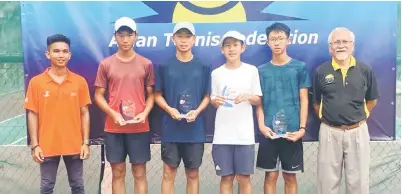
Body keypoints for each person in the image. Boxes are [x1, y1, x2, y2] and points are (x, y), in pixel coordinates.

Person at [313, 27, 379, 194]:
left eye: (345, 42)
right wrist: (326, 118)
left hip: (357, 131)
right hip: (329, 132)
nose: (341, 45)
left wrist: (360, 117)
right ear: (330, 47)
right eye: (336, 42)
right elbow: (316, 102)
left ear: (352, 46)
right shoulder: (321, 71)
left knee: (358, 183)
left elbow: (372, 99)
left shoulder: (365, 70)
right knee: (326, 184)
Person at [94, 17, 155, 194]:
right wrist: (113, 114)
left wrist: (145, 113)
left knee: (139, 173)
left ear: (136, 36)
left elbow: (151, 96)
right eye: (121, 35)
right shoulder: (105, 64)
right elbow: (98, 96)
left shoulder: (146, 64)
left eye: (129, 35)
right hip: (114, 129)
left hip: (139, 128)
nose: (125, 39)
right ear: (115, 36)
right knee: (117, 173)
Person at [25, 34, 91, 194]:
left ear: (70, 55)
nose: (61, 55)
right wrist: (35, 145)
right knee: (47, 187)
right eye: (56, 51)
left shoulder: (79, 81)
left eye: (64, 51)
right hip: (47, 145)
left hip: (74, 144)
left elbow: (85, 113)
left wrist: (86, 143)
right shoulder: (36, 82)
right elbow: (32, 114)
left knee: (78, 186)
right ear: (48, 54)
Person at [155, 22, 211, 194]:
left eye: (188, 37)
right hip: (171, 129)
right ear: (173, 39)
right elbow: (157, 95)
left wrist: (197, 111)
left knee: (193, 174)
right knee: (168, 173)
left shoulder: (203, 66)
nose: (184, 41)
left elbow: (207, 97)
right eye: (180, 36)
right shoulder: (164, 66)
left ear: (194, 40)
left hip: (194, 131)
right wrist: (170, 109)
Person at [255, 22, 311, 194]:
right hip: (269, 132)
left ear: (288, 40)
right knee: (270, 176)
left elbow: (304, 100)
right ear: (267, 42)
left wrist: (302, 129)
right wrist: (262, 126)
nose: (277, 43)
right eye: (273, 39)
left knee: (290, 176)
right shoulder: (261, 71)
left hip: (292, 132)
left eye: (280, 38)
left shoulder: (299, 67)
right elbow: (259, 102)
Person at [210, 30, 262, 194]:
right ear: (222, 50)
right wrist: (215, 101)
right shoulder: (216, 73)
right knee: (226, 178)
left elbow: (259, 99)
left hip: (244, 135)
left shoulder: (252, 70)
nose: (231, 49)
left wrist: (249, 97)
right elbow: (213, 100)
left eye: (235, 45)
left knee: (244, 178)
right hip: (222, 135)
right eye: (227, 46)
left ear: (243, 48)